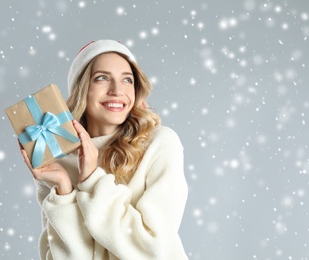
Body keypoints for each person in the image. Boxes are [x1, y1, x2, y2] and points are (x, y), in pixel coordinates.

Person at [20, 39, 188, 259]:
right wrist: (63, 192)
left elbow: (151, 248)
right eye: (102, 78)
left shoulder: (160, 144)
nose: (117, 90)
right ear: (82, 89)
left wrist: (92, 179)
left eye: (127, 80)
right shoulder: (56, 158)